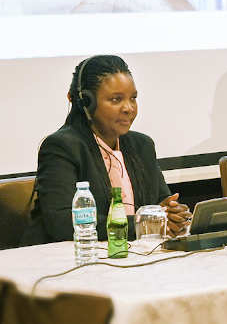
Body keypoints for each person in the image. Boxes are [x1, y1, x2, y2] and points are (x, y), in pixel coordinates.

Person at [22, 55, 191, 245]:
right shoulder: (62, 147)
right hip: (73, 259)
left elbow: (162, 202)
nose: (129, 108)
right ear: (86, 102)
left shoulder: (142, 145)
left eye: (133, 98)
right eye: (116, 99)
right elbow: (61, 223)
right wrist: (142, 225)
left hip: (134, 254)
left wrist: (173, 214)